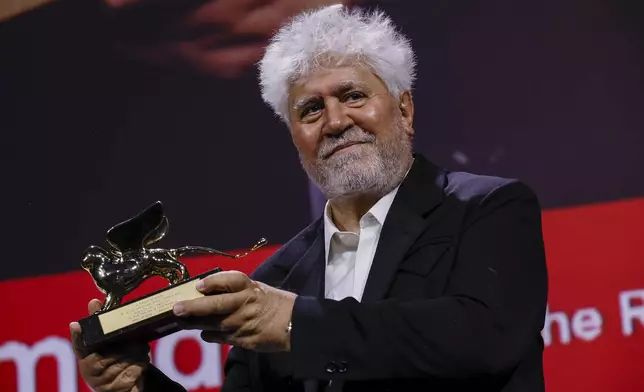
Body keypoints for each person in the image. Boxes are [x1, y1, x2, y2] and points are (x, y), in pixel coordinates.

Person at [70, 5, 548, 391]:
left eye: (354, 96)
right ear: (294, 135)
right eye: (311, 109)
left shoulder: (486, 209)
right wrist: (137, 386)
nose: (336, 121)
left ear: (404, 109)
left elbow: (485, 339)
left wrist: (297, 323)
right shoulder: (275, 278)